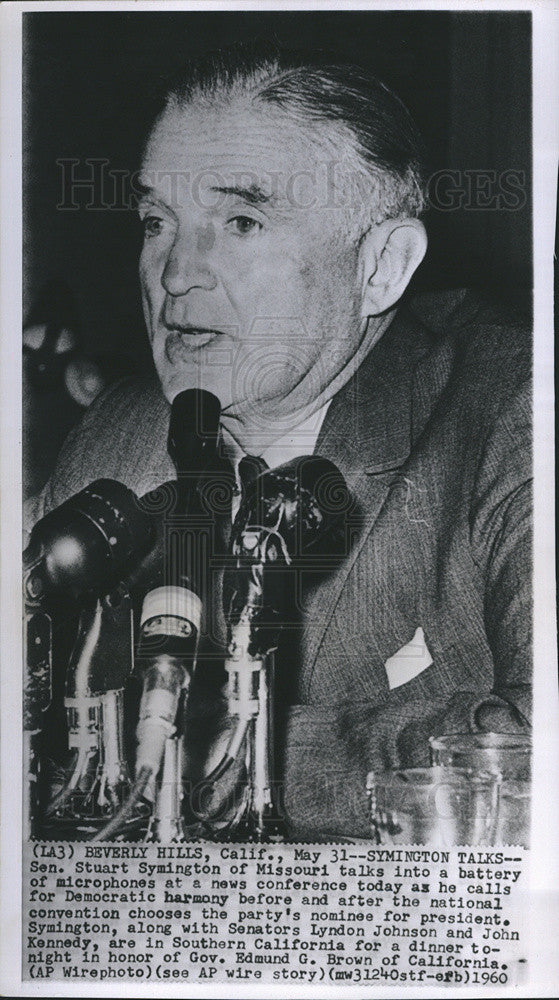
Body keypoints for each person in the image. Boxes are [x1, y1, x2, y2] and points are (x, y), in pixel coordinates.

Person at [25, 43, 531, 839]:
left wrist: (208, 754)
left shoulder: (514, 405)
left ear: (381, 267)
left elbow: (532, 750)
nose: (176, 272)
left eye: (241, 220)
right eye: (157, 221)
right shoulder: (116, 440)